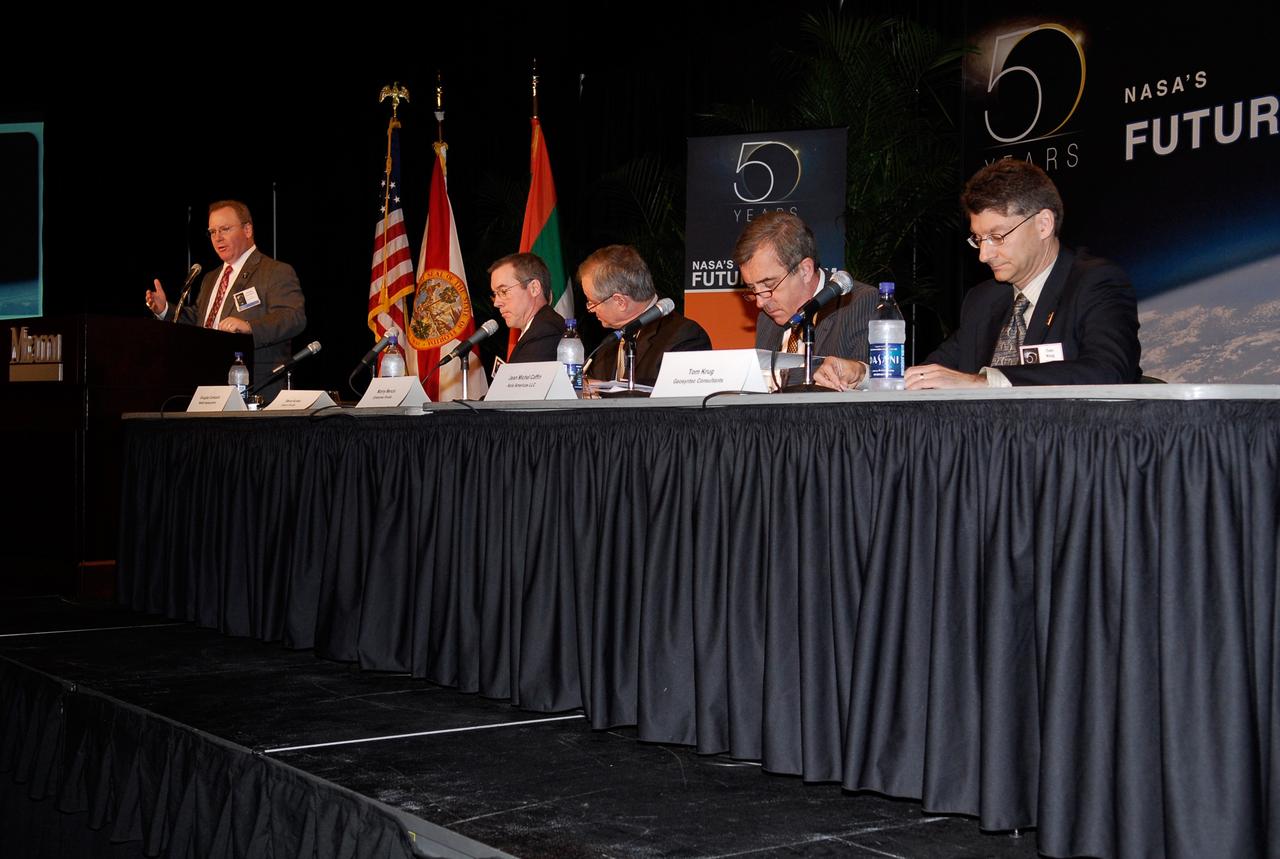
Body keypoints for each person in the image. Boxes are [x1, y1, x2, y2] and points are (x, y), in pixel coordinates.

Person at [815, 159, 1141, 390]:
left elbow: (1109, 371)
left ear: (1043, 224)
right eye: (978, 239)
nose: (984, 255)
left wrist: (983, 382)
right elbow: (929, 374)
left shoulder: (1094, 282)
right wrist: (863, 375)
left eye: (997, 237)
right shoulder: (985, 300)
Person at [146, 200, 306, 393]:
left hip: (256, 387)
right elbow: (199, 322)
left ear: (247, 230)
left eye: (225, 229)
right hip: (208, 384)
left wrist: (249, 327)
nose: (218, 238)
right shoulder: (210, 278)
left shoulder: (274, 271)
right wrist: (165, 310)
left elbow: (293, 318)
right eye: (212, 232)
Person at [733, 211, 878, 388]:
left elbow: (874, 381)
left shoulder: (860, 302)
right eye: (753, 289)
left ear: (805, 270)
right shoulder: (767, 319)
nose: (760, 303)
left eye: (769, 285)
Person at [580, 245, 711, 387]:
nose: (591, 310)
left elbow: (682, 399)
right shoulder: (608, 345)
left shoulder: (685, 336)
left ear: (620, 301)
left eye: (592, 303)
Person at [488, 252, 565, 363]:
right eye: (495, 294)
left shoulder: (545, 332)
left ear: (534, 288)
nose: (496, 303)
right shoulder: (537, 329)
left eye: (503, 291)